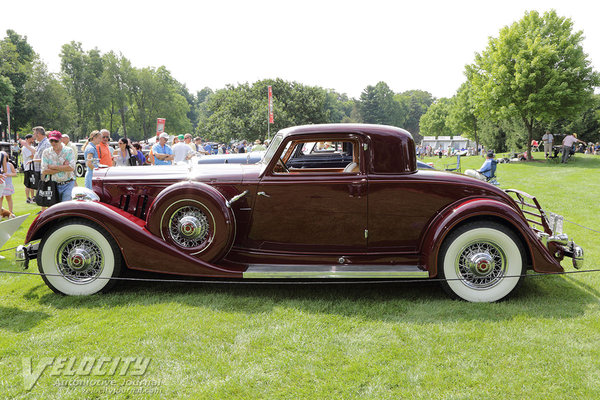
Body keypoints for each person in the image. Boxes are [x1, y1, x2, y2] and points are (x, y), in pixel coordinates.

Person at [41, 130, 76, 204]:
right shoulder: (46, 152)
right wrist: (63, 167)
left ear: (60, 140)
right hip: (52, 185)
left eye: (56, 141)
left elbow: (71, 168)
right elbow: (44, 170)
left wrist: (53, 167)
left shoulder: (69, 151)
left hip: (68, 184)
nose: (53, 143)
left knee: (66, 207)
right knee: (54, 209)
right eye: (51, 141)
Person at [20, 133, 36, 203]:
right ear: (27, 139)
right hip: (28, 167)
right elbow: (32, 156)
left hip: (32, 167)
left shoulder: (31, 147)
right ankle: (28, 198)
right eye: (32, 138)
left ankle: (33, 197)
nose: (33, 139)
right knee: (28, 184)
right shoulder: (25, 148)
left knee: (32, 183)